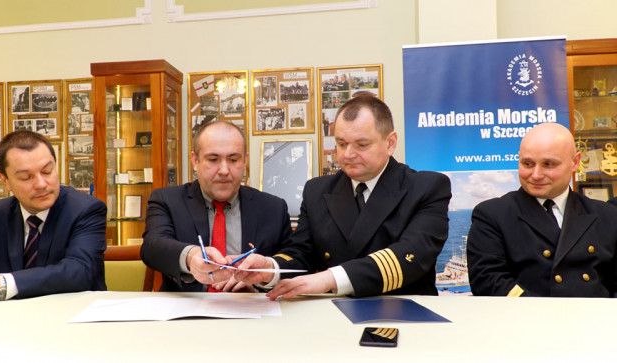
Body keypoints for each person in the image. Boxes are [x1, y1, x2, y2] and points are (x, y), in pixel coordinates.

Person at [235, 93, 451, 299]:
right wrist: (268, 268)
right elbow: (302, 254)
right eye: (341, 144)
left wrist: (330, 278)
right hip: (335, 316)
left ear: (390, 143)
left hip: (403, 315)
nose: (348, 154)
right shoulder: (317, 191)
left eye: (362, 144)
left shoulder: (427, 187)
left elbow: (410, 256)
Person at [467, 122, 617, 297]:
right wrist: (549, 316)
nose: (536, 175)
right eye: (528, 164)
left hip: (595, 320)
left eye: (548, 164)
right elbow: (488, 282)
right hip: (526, 320)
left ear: (575, 162)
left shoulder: (608, 216)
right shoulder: (493, 215)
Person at [141, 120, 291, 292]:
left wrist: (261, 282)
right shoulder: (167, 199)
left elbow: (292, 262)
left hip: (252, 310)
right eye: (213, 159)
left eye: (233, 159)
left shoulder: (273, 208)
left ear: (245, 161)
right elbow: (152, 247)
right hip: (187, 312)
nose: (224, 170)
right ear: (195, 160)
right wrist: (191, 257)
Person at [0, 130, 107, 302]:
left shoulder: (85, 210)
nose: (41, 184)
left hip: (71, 317)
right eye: (25, 177)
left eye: (47, 171)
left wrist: (4, 284)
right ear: (5, 180)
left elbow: (80, 270)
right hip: (6, 321)